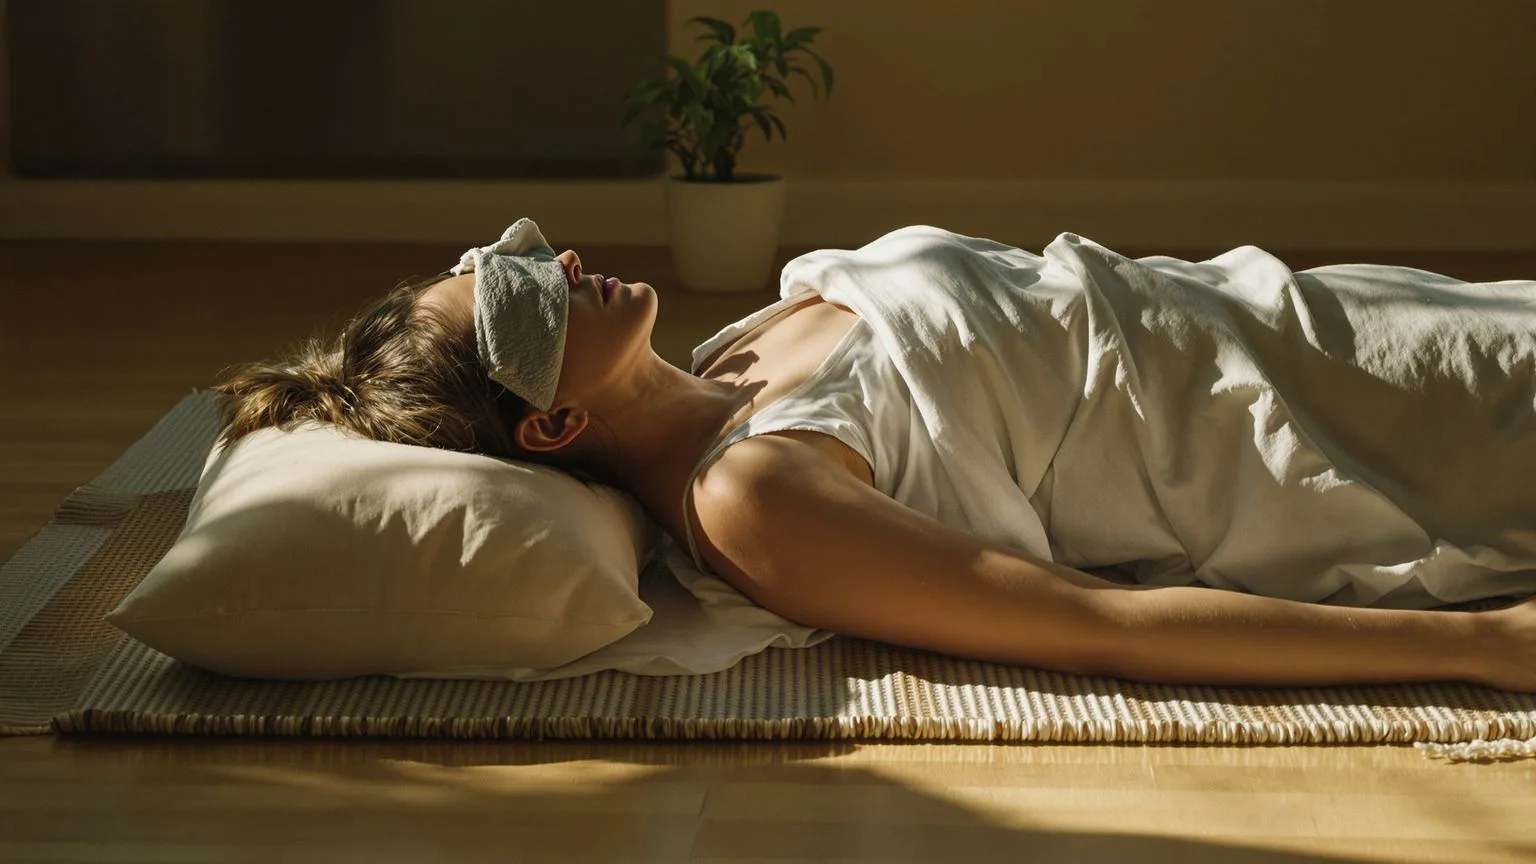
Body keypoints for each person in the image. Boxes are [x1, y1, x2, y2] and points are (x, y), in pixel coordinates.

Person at [209, 222, 1536, 693]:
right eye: (522, 309)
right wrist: (1485, 650)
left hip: (1316, 319)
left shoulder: (743, 348)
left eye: (513, 263)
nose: (556, 261)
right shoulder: (754, 496)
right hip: (1327, 440)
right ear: (550, 426)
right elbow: (1095, 628)